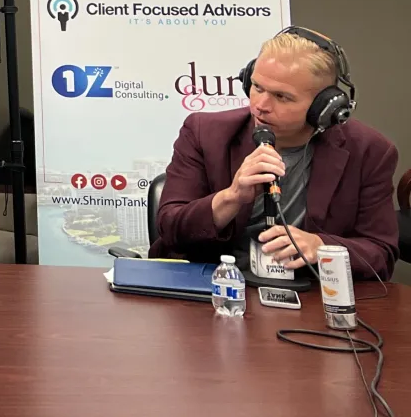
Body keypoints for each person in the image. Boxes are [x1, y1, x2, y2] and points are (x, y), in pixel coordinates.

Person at [149, 27, 399, 279]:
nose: (260, 105)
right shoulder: (204, 133)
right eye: (257, 86)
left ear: (323, 106)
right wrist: (232, 197)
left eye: (282, 96)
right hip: (214, 286)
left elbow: (381, 253)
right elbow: (171, 231)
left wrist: (322, 247)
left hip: (309, 292)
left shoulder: (369, 151)